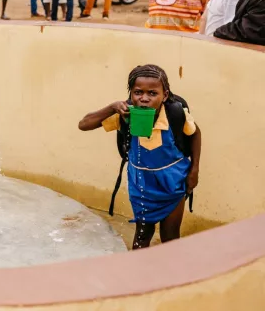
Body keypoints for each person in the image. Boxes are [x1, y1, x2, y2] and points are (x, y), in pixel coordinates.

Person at [78, 64, 201, 249]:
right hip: (143, 185)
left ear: (164, 95)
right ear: (130, 95)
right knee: (142, 237)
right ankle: (137, 275)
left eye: (152, 93)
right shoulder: (125, 115)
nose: (144, 98)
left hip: (173, 182)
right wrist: (112, 107)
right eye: (138, 92)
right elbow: (84, 124)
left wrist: (194, 170)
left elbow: (195, 133)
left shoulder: (174, 114)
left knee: (170, 237)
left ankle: (173, 275)